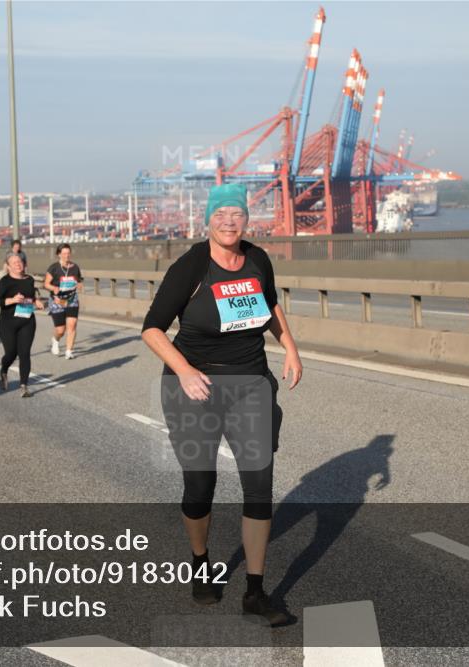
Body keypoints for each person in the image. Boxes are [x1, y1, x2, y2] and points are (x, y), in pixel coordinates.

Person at [141, 183, 303, 627]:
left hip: (250, 382)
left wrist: (289, 346)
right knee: (200, 484)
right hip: (194, 384)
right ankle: (200, 562)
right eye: (221, 214)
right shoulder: (192, 265)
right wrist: (186, 371)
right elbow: (152, 328)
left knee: (259, 485)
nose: (229, 221)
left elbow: (269, 305)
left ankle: (255, 590)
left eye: (237, 214)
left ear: (246, 219)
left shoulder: (257, 259)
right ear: (207, 220)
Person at [0, 252, 44, 397]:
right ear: (8, 267)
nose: (18, 264)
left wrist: (36, 301)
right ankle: (4, 370)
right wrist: (12, 300)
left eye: (19, 261)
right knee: (11, 353)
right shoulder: (5, 282)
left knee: (25, 353)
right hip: (7, 323)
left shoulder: (29, 280)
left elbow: (30, 297)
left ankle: (24, 386)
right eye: (14, 263)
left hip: (27, 321)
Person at [44, 243, 83, 360]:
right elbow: (46, 284)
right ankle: (55, 340)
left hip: (72, 299)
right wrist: (53, 288)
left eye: (68, 253)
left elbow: (79, 281)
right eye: (64, 253)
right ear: (59, 255)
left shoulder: (75, 267)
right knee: (61, 330)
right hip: (57, 300)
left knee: (72, 325)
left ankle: (69, 351)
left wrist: (79, 285)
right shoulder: (54, 268)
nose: (67, 256)